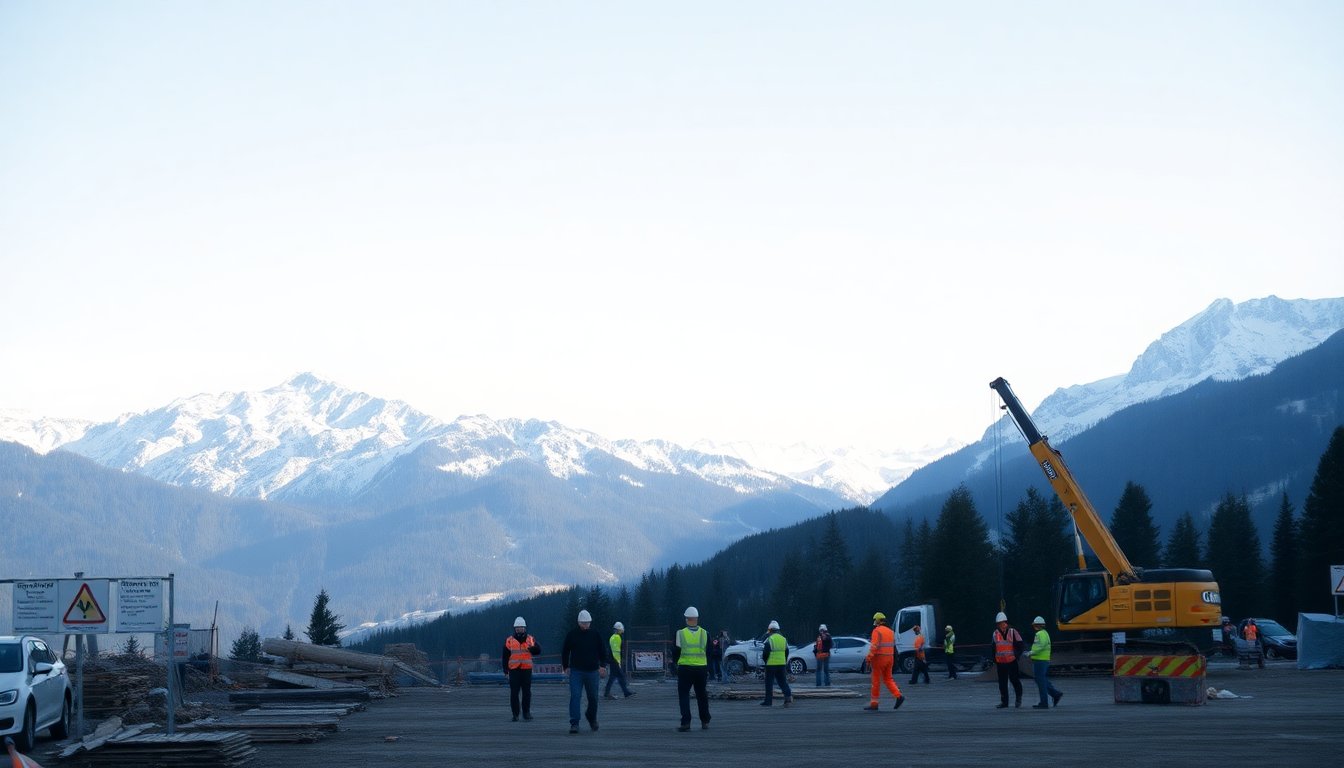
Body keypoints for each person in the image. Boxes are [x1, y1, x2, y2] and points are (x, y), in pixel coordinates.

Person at [561, 609, 611, 734]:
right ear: (579, 622)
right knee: (575, 696)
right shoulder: (572, 635)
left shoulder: (595, 634)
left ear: (590, 622)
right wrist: (565, 666)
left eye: (587, 623)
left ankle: (592, 718)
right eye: (583, 623)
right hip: (576, 672)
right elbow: (565, 651)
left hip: (593, 672)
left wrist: (603, 665)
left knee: (593, 698)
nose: (585, 625)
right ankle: (574, 723)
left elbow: (602, 650)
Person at [673, 606, 711, 731]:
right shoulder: (705, 633)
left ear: (686, 619)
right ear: (697, 619)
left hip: (685, 668)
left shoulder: (680, 633)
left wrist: (675, 664)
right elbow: (709, 652)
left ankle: (686, 723)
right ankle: (705, 721)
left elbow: (675, 652)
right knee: (702, 695)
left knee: (684, 695)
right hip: (701, 669)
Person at [864, 611, 904, 711]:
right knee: (888, 679)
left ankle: (874, 704)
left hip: (879, 658)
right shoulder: (890, 631)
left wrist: (868, 659)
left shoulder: (877, 631)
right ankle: (899, 696)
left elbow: (874, 647)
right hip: (890, 658)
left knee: (876, 681)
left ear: (877, 621)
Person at [502, 616, 540, 722]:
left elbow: (538, 650)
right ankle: (515, 714)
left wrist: (532, 648)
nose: (519, 629)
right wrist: (505, 670)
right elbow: (505, 657)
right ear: (515, 628)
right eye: (517, 627)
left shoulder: (530, 639)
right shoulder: (509, 641)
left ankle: (526, 713)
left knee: (526, 692)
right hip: (514, 670)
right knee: (514, 693)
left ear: (525, 628)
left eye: (521, 627)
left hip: (526, 670)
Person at [1028, 616, 1063, 709]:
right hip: (1042, 660)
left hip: (1040, 660)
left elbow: (1041, 646)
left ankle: (1044, 702)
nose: (1034, 627)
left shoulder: (1039, 634)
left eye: (1035, 625)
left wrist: (1031, 653)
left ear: (1037, 625)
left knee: (1040, 681)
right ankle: (1055, 694)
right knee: (1041, 679)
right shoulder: (1045, 633)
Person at [992, 611, 1024, 709]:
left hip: (1011, 661)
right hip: (1000, 662)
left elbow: (1021, 645)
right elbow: (993, 647)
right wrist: (994, 659)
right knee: (1002, 683)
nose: (1001, 625)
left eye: (1002, 622)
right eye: (999, 623)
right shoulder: (995, 633)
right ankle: (1004, 702)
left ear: (1005, 622)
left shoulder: (1013, 632)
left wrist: (1016, 655)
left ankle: (1018, 698)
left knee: (1015, 680)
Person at [760, 620, 793, 707]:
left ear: (770, 630)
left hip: (771, 665)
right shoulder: (784, 639)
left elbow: (765, 653)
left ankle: (768, 701)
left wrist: (766, 661)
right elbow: (787, 652)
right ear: (778, 629)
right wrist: (784, 661)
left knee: (769, 683)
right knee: (782, 682)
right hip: (781, 664)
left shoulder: (770, 639)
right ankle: (788, 698)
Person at [604, 621, 634, 699]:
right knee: (620, 676)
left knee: (613, 677)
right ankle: (625, 692)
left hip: (613, 660)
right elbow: (616, 651)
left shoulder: (613, 637)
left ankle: (624, 692)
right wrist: (618, 662)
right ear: (619, 629)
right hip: (615, 661)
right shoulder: (617, 637)